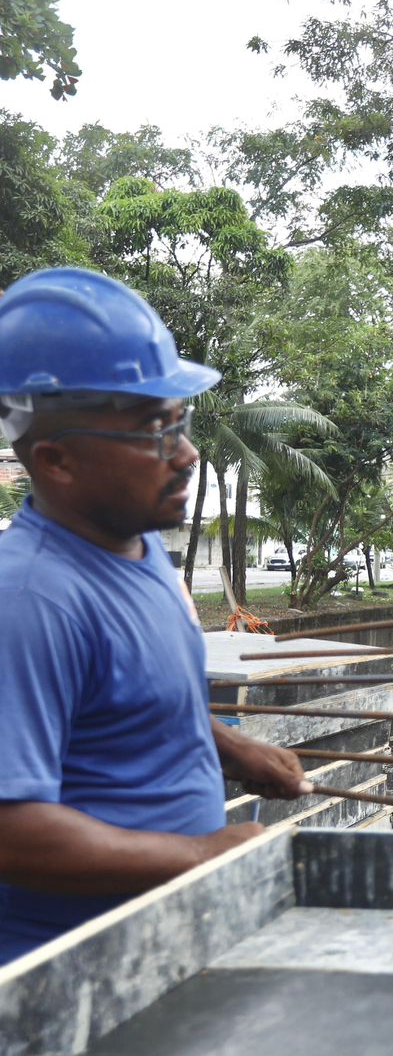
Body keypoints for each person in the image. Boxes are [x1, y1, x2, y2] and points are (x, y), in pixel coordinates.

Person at [0, 267, 311, 965]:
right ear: (57, 460)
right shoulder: (27, 603)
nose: (188, 454)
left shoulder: (136, 551)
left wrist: (229, 748)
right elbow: (11, 835)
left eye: (180, 423)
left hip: (163, 945)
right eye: (153, 431)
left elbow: (124, 701)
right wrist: (202, 855)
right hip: (74, 979)